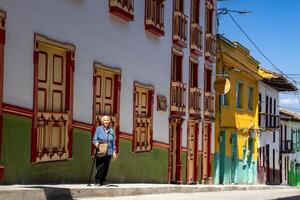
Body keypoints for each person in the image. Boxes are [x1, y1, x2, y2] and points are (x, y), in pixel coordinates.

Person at [93, 115, 117, 186]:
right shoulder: (99, 129)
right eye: (105, 120)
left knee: (106, 166)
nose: (106, 121)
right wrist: (96, 143)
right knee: (100, 166)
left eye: (107, 120)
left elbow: (113, 142)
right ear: (102, 122)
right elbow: (94, 139)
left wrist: (114, 152)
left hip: (109, 150)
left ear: (109, 122)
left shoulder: (111, 130)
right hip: (101, 149)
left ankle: (102, 180)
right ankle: (97, 180)